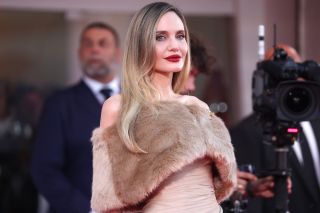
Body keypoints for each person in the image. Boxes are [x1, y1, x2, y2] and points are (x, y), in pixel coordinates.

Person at [90, 2, 237, 213]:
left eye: (180, 36)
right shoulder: (118, 108)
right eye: (160, 37)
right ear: (140, 45)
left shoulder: (198, 107)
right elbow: (108, 202)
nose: (175, 46)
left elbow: (216, 186)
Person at [31, 22, 121, 213]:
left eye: (103, 44)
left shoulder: (137, 102)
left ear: (118, 54)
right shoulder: (59, 104)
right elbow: (45, 170)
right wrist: (87, 210)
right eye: (88, 44)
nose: (95, 49)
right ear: (80, 53)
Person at [230, 44, 320, 213]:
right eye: (279, 75)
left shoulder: (317, 120)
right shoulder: (246, 132)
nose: (290, 81)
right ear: (264, 81)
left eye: (295, 71)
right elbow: (250, 200)